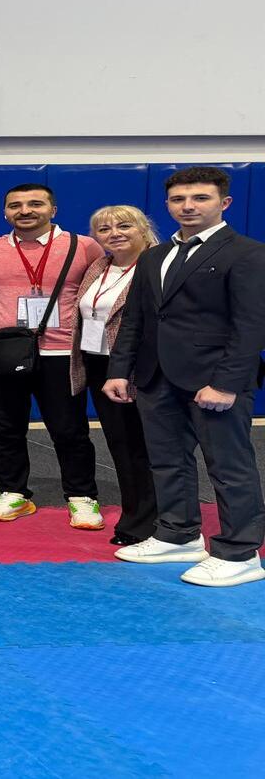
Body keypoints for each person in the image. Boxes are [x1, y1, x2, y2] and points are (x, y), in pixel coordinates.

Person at [109, 167, 265, 586]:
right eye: (179, 199)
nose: (188, 206)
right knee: (166, 461)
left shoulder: (248, 253)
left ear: (224, 203)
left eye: (200, 198)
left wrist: (227, 384)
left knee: (229, 467)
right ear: (167, 205)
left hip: (214, 380)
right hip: (155, 376)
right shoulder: (153, 256)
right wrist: (120, 370)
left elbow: (252, 326)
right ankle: (178, 535)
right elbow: (136, 318)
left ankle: (240, 552)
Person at [0, 183, 103, 527]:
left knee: (69, 429)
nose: (25, 211)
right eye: (15, 205)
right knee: (5, 427)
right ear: (5, 213)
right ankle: (13, 492)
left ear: (53, 210)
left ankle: (82, 497)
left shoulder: (83, 246)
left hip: (60, 352)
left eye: (35, 204)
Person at [74, 205, 157, 545]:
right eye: (105, 229)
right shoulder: (98, 266)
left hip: (140, 368)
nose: (115, 234)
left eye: (124, 226)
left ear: (142, 228)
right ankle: (135, 514)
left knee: (147, 447)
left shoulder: (156, 265)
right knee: (121, 444)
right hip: (99, 365)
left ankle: (152, 522)